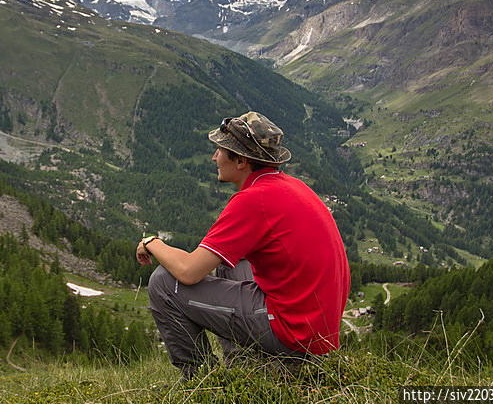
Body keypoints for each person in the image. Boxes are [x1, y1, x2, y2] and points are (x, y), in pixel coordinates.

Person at [136, 111, 350, 379]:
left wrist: (151, 242)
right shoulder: (289, 186)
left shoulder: (253, 200)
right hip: (317, 328)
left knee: (164, 283)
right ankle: (244, 366)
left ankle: (202, 381)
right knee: (230, 260)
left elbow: (188, 271)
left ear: (241, 160)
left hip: (293, 333)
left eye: (221, 150)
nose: (215, 157)